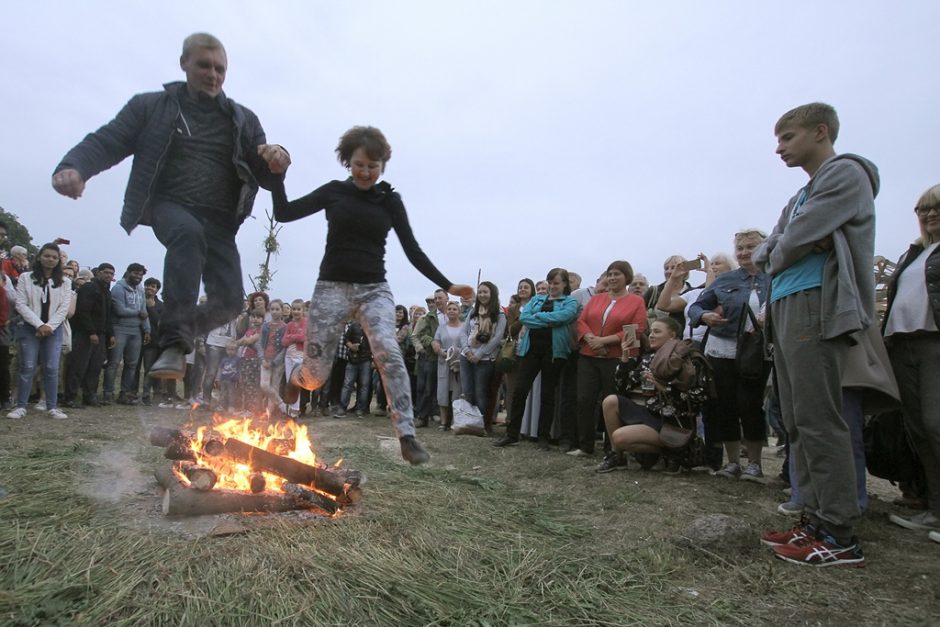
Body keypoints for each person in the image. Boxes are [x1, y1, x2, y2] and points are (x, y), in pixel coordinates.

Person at [52, 32, 290, 380]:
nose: (213, 74)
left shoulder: (243, 119)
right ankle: (175, 343)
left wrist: (277, 161)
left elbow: (264, 174)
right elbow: (109, 140)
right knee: (188, 233)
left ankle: (174, 336)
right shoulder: (151, 106)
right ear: (184, 64)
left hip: (221, 221)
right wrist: (74, 168)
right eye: (204, 66)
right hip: (170, 206)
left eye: (220, 68)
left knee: (228, 301)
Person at [274, 126, 471, 465]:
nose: (366, 172)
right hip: (331, 288)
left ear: (382, 165)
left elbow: (412, 250)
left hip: (374, 291)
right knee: (315, 377)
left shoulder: (389, 200)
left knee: (389, 354)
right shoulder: (334, 192)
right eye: (359, 165)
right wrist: (277, 177)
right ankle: (292, 379)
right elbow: (285, 213)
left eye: (373, 166)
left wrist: (448, 285)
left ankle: (407, 436)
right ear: (347, 162)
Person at [754, 102, 874, 567]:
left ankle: (839, 530)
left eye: (787, 137)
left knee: (820, 415)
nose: (779, 148)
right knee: (796, 417)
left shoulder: (847, 174)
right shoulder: (799, 195)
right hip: (784, 302)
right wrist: (788, 244)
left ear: (820, 132)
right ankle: (814, 516)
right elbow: (773, 247)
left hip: (816, 301)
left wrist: (789, 245)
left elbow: (791, 240)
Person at [687, 231, 772, 480]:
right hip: (722, 349)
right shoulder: (725, 280)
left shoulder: (776, 277)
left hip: (756, 351)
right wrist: (704, 316)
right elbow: (697, 306)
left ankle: (754, 464)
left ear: (765, 248)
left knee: (751, 405)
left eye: (751, 247)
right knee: (725, 405)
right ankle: (733, 462)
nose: (745, 252)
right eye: (741, 247)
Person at [883, 184, 940, 543]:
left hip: (933, 344)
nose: (930, 215)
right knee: (917, 428)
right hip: (902, 345)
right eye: (923, 210)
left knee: (936, 424)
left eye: (936, 208)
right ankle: (933, 507)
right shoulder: (914, 254)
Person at [595, 317, 709, 472]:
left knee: (619, 437)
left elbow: (699, 398)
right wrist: (625, 357)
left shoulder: (689, 360)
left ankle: (677, 452)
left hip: (675, 421)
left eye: (657, 331)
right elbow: (623, 387)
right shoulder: (648, 359)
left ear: (672, 335)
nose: (651, 335)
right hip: (650, 414)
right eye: (651, 332)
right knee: (610, 401)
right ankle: (617, 457)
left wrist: (666, 388)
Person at [494, 268, 579, 448]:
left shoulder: (570, 301)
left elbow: (564, 317)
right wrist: (549, 320)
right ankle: (512, 434)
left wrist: (538, 316)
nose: (553, 286)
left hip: (554, 353)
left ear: (565, 284)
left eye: (556, 283)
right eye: (551, 282)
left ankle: (543, 436)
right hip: (530, 351)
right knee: (519, 391)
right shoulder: (536, 299)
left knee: (547, 395)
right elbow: (525, 317)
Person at [573, 261, 647, 456]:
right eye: (610, 274)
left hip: (616, 358)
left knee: (611, 401)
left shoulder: (636, 301)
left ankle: (613, 448)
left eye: (617, 274)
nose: (613, 278)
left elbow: (637, 329)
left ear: (627, 277)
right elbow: (582, 321)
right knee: (584, 399)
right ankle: (585, 445)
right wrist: (590, 339)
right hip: (588, 356)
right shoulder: (597, 299)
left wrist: (604, 342)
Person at [7, 243, 72, 419]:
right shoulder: (25, 278)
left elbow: (64, 307)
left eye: (54, 257)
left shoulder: (65, 282)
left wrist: (49, 326)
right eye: (47, 256)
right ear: (39, 257)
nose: (50, 259)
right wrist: (38, 325)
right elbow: (20, 303)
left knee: (51, 367)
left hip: (54, 328)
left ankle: (52, 406)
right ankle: (21, 406)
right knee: (27, 366)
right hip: (30, 328)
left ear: (58, 261)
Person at [458, 281, 507, 431]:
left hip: (485, 359)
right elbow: (463, 332)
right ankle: (469, 423)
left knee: (481, 392)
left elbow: (497, 338)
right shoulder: (474, 311)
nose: (482, 295)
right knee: (468, 391)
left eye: (485, 292)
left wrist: (479, 354)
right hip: (466, 356)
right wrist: (467, 350)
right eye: (480, 292)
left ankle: (482, 425)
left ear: (492, 294)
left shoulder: (499, 314)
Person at [64, 264, 115, 407]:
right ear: (98, 272)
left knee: (95, 367)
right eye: (106, 273)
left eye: (111, 274)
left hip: (101, 335)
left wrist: (110, 334)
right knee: (78, 366)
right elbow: (83, 312)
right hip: (85, 334)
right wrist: (91, 332)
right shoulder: (89, 287)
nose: (109, 276)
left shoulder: (106, 291)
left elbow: (108, 315)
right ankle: (70, 397)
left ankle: (89, 396)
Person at [103, 262, 150, 404]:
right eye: (135, 273)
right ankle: (107, 393)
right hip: (120, 328)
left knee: (132, 364)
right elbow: (120, 310)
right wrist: (138, 313)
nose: (138, 277)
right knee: (114, 363)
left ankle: (124, 393)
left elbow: (144, 312)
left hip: (136, 331)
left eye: (140, 275)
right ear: (128, 272)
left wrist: (147, 329)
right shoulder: (118, 288)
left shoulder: (140, 290)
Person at [432, 301, 464, 430]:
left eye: (454, 309)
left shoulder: (464, 327)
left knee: (458, 391)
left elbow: (468, 342)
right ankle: (444, 421)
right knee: (443, 391)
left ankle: (455, 421)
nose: (451, 311)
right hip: (444, 362)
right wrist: (440, 350)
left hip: (459, 363)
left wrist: (459, 353)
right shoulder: (441, 327)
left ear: (459, 312)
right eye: (449, 309)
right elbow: (436, 341)